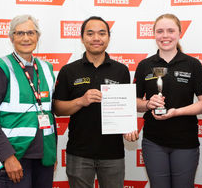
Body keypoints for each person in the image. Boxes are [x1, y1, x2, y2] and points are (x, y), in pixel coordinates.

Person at [53, 16, 138, 188]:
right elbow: (57, 109)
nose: (96, 38)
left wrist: (128, 128)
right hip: (79, 152)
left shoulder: (121, 70)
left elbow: (125, 107)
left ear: (108, 37)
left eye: (102, 33)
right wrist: (80, 101)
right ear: (82, 37)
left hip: (113, 153)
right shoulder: (69, 70)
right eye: (90, 33)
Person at [0, 14, 57, 188]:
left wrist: (51, 154)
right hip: (14, 158)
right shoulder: (1, 67)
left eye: (31, 32)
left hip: (43, 158)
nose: (26, 38)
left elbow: (49, 113)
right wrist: (7, 157)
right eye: (19, 33)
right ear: (11, 37)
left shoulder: (46, 68)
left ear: (37, 36)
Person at [134, 13, 202, 188]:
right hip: (153, 141)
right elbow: (134, 101)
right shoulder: (145, 65)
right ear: (154, 34)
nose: (165, 35)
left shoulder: (192, 64)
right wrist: (147, 104)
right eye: (160, 31)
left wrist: (177, 112)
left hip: (185, 141)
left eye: (170, 30)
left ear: (179, 33)